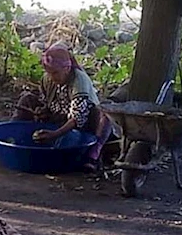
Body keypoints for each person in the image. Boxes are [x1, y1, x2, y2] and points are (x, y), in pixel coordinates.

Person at [14, 43, 113, 171]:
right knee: (27, 98)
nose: (51, 77)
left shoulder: (79, 81)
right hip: (59, 116)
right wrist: (42, 111)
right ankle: (11, 137)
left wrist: (55, 134)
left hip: (85, 124)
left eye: (55, 73)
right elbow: (47, 101)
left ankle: (93, 154)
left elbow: (78, 118)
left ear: (67, 69)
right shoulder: (48, 79)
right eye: (49, 73)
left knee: (106, 113)